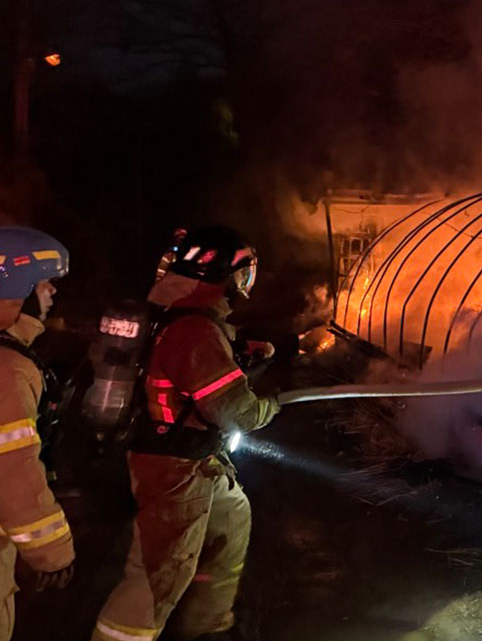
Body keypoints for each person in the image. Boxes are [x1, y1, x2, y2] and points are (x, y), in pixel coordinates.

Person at [94, 226, 279, 641]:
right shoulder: (195, 330)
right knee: (157, 577)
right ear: (225, 275)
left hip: (196, 459)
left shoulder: (182, 315)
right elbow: (238, 412)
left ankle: (207, 628)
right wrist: (274, 402)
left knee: (231, 524)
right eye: (244, 274)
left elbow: (195, 376)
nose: (244, 285)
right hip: (173, 469)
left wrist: (240, 355)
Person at [0, 227, 75, 640]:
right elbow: (13, 472)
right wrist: (53, 553)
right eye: (45, 282)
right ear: (17, 286)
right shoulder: (8, 369)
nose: (51, 292)